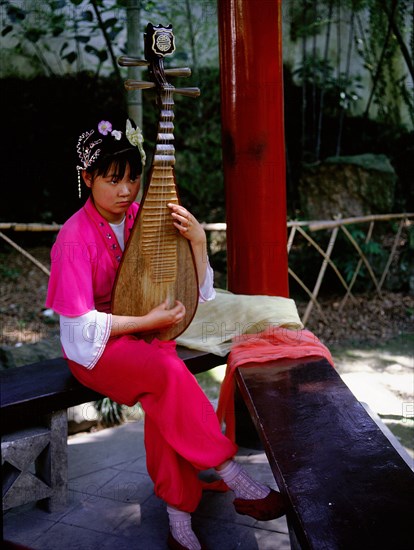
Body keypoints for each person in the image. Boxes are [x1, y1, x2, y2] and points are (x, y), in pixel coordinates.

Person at [46, 115, 285, 550]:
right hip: (96, 350)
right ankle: (233, 476)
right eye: (112, 180)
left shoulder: (145, 218)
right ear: (87, 177)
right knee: (167, 372)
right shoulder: (73, 239)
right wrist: (146, 324)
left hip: (146, 336)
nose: (125, 191)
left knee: (164, 398)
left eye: (132, 179)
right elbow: (78, 329)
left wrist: (197, 240)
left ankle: (179, 519)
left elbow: (200, 291)